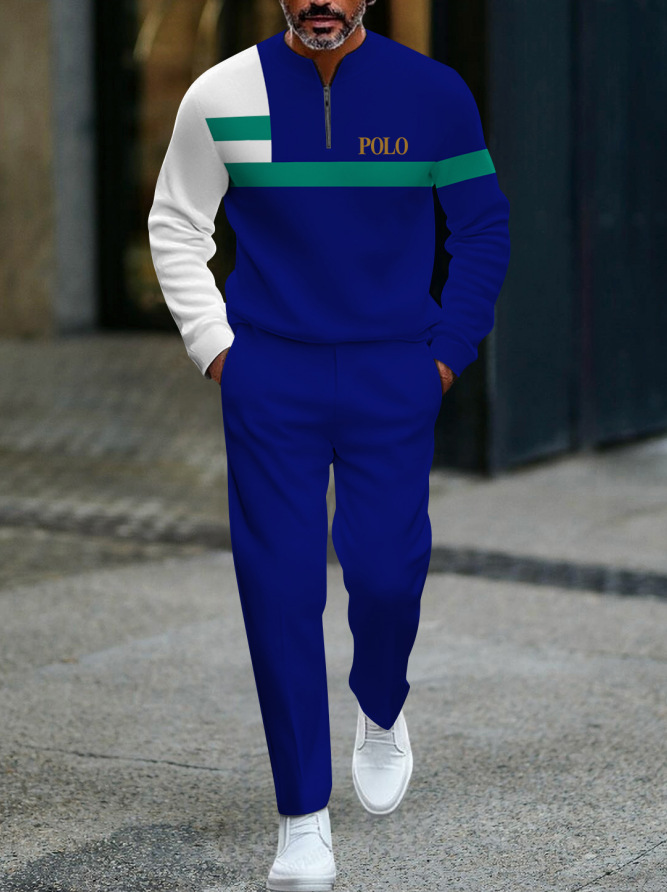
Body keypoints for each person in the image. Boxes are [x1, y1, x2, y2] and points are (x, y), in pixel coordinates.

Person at [148, 0, 511, 887]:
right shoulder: (222, 92)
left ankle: (380, 704)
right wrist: (217, 351)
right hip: (271, 376)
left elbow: (481, 227)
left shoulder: (433, 93)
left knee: (386, 574)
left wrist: (444, 357)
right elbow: (177, 224)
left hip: (395, 372)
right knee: (278, 590)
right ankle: (301, 817)